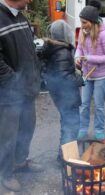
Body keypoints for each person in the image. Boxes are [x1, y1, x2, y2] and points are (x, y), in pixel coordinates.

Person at [0, 0, 42, 192]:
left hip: (27, 90)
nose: (30, 0)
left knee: (27, 128)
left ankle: (21, 162)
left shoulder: (21, 16)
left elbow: (30, 51)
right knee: (8, 135)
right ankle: (6, 174)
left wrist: (36, 75)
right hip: (9, 94)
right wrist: (15, 82)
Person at [40, 19, 84, 159]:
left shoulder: (52, 48)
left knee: (67, 122)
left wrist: (73, 70)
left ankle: (64, 154)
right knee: (71, 124)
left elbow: (56, 72)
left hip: (58, 93)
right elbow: (65, 79)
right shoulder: (62, 52)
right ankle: (66, 157)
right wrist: (79, 78)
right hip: (66, 95)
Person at [75, 5, 105, 140]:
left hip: (101, 75)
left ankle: (99, 130)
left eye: (84, 23)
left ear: (92, 21)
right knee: (84, 104)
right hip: (87, 74)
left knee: (99, 105)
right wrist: (77, 58)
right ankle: (83, 129)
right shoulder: (83, 31)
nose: (82, 26)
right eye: (81, 22)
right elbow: (79, 49)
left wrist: (89, 58)